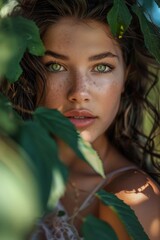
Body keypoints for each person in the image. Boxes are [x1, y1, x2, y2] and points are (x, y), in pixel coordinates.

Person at [2, 0, 160, 239]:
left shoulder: (132, 200)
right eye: (56, 66)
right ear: (31, 74)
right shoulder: (11, 163)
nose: (79, 92)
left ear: (126, 76)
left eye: (102, 67)